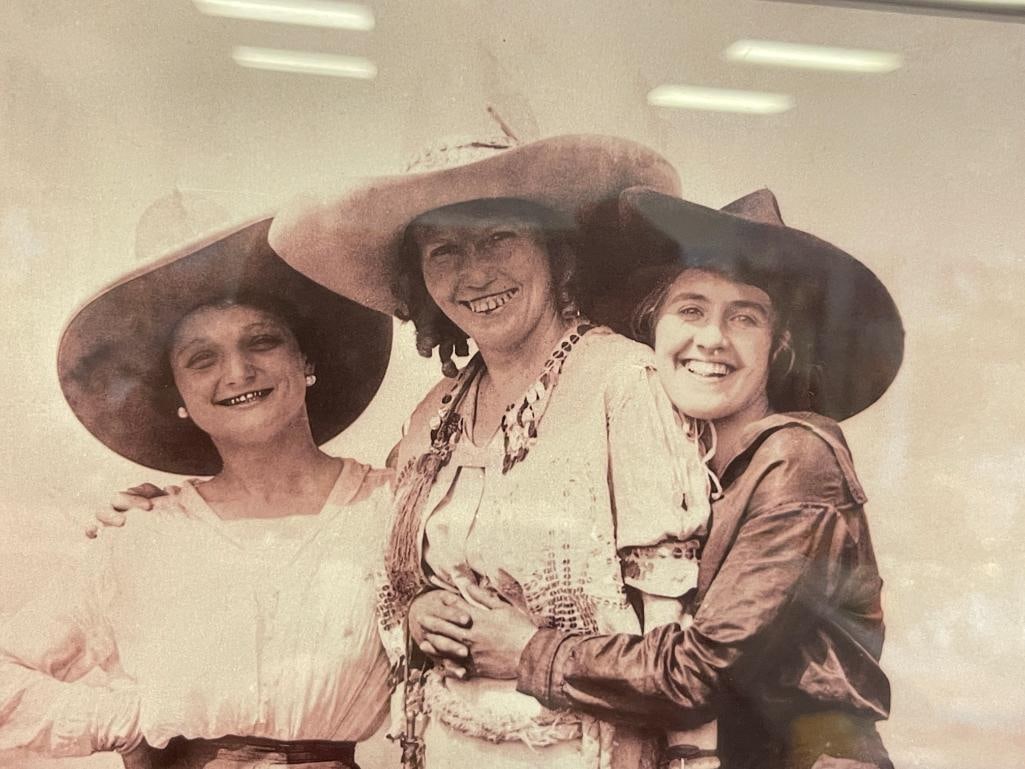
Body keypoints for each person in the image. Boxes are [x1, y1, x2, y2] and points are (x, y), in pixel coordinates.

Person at [267, 134, 711, 769]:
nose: (474, 273)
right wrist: (418, 611)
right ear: (418, 279)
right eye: (444, 250)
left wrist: (530, 648)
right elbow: (392, 578)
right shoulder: (433, 415)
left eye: (499, 237)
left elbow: (674, 646)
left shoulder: (622, 383)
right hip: (446, 747)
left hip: (582, 751)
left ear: (557, 253)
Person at [420, 187, 905, 769]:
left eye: (744, 317)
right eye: (691, 309)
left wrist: (527, 650)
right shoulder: (703, 471)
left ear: (779, 348)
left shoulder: (795, 461)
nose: (711, 339)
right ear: (653, 329)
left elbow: (699, 673)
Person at [0, 217, 394, 768]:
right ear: (179, 394)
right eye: (201, 359)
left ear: (306, 361)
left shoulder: (391, 510)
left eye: (262, 341)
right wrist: (133, 722)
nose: (238, 371)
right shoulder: (143, 533)